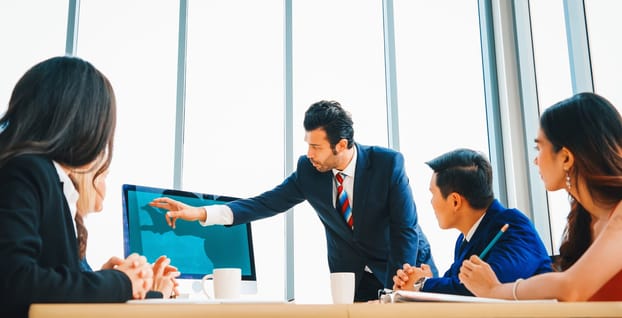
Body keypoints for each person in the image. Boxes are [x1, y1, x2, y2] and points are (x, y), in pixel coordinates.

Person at [150, 100, 437, 301]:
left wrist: (394, 295)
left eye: (316, 146)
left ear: (341, 145)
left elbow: (405, 231)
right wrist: (200, 213)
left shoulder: (387, 164)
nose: (309, 153)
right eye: (307, 144)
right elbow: (264, 203)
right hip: (352, 279)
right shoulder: (309, 171)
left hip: (404, 268)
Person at [1, 56, 150, 318]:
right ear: (85, 122)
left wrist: (110, 280)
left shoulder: (46, 177)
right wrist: (120, 283)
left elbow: (47, 279)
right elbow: (16, 282)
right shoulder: (29, 171)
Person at [459, 92, 622, 301]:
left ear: (565, 157)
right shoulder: (585, 221)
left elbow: (572, 287)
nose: (535, 160)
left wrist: (495, 290)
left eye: (539, 147)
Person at [392, 148, 552, 295]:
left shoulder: (513, 226)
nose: (431, 202)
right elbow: (455, 285)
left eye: (433, 194)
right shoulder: (464, 239)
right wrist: (424, 280)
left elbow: (484, 288)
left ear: (455, 201)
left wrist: (423, 284)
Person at [71, 167, 180, 297]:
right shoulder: (68, 227)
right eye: (103, 177)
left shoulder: (75, 227)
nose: (104, 187)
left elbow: (77, 291)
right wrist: (158, 294)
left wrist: (135, 283)